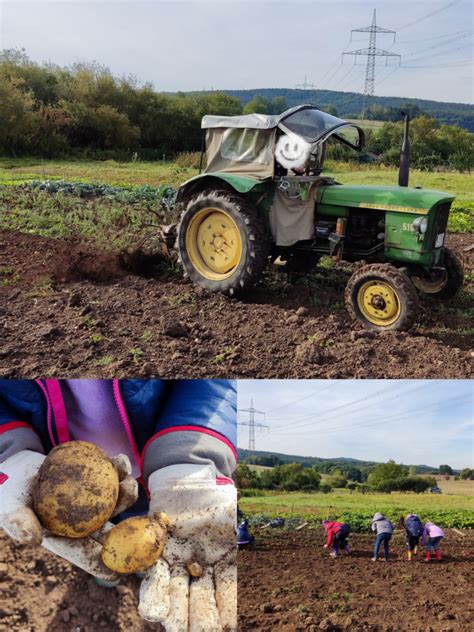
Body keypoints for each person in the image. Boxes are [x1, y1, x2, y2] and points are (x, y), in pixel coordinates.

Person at [0, 379, 237, 632]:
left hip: (158, 470)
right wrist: (8, 455)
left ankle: (136, 565)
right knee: (94, 544)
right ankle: (111, 566)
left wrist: (189, 460)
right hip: (42, 466)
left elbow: (215, 386)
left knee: (140, 513)